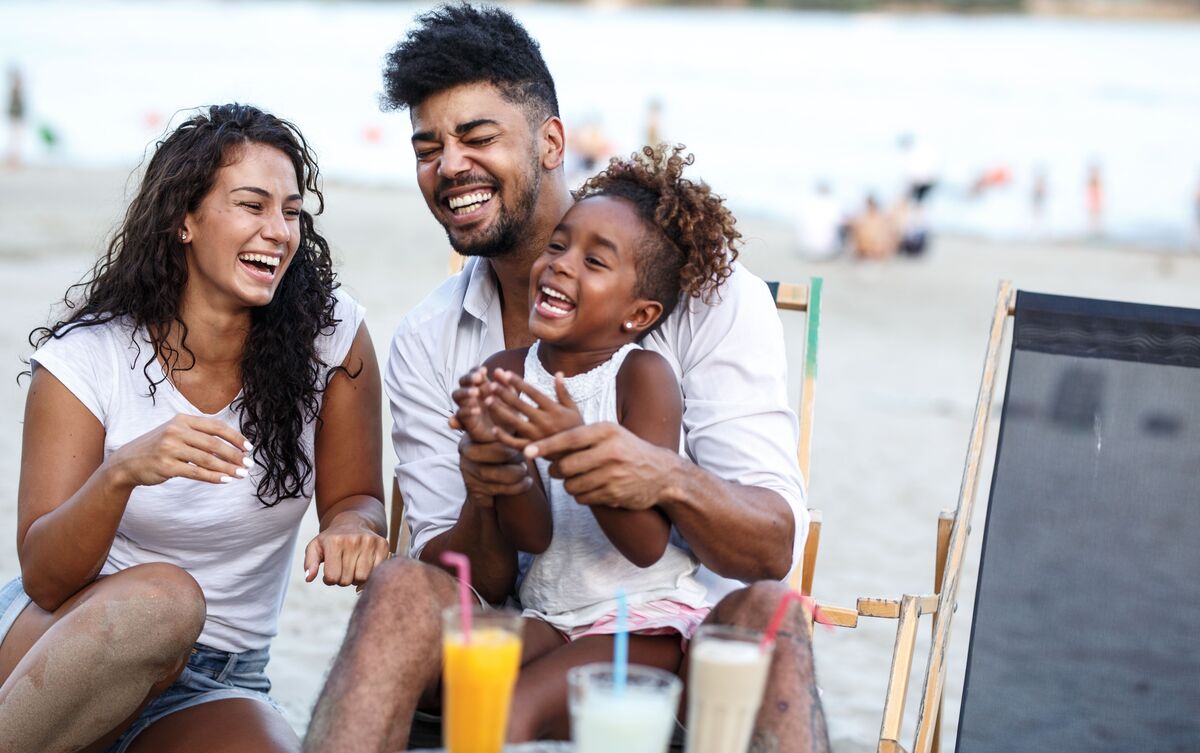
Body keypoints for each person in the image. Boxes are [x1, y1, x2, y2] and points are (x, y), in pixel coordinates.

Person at [304, 6, 826, 752]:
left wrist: (659, 474)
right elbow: (470, 577)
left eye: (478, 137)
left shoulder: (707, 298)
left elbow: (771, 543)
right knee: (397, 589)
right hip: (532, 631)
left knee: (771, 614)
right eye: (429, 147)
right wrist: (490, 485)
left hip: (681, 635)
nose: (450, 165)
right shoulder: (433, 340)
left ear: (552, 141)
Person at [0, 104, 388, 753]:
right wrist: (122, 472)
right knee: (166, 598)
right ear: (185, 218)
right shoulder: (91, 354)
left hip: (217, 677)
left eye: (290, 211)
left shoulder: (331, 337)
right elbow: (44, 574)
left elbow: (357, 499)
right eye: (251, 205)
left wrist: (355, 527)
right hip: (67, 639)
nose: (278, 231)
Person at [446, 146, 738, 733]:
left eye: (595, 262)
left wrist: (571, 444)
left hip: (639, 620)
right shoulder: (508, 369)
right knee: (462, 693)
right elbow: (532, 533)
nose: (560, 264)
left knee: (508, 717)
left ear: (638, 314)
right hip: (549, 610)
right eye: (558, 245)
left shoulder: (642, 378)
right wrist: (497, 457)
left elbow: (645, 544)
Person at [5, 66, 25, 168]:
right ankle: (12, 161)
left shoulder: (16, 91)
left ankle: (14, 160)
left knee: (16, 140)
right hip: (15, 118)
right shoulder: (15, 91)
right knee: (14, 140)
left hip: (17, 118)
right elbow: (13, 107)